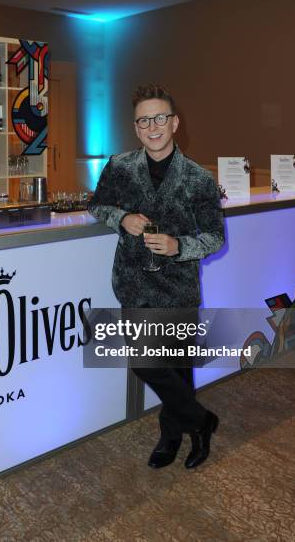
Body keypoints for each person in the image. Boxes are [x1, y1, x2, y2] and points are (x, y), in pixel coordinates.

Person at [88, 83, 225, 469]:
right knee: (143, 362)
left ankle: (173, 435)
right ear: (135, 127)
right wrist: (122, 219)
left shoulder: (199, 178)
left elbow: (215, 237)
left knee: (179, 371)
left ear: (175, 123)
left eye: (160, 118)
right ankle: (202, 422)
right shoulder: (119, 167)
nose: (153, 126)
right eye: (144, 120)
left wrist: (180, 246)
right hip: (134, 283)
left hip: (179, 288)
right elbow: (96, 204)